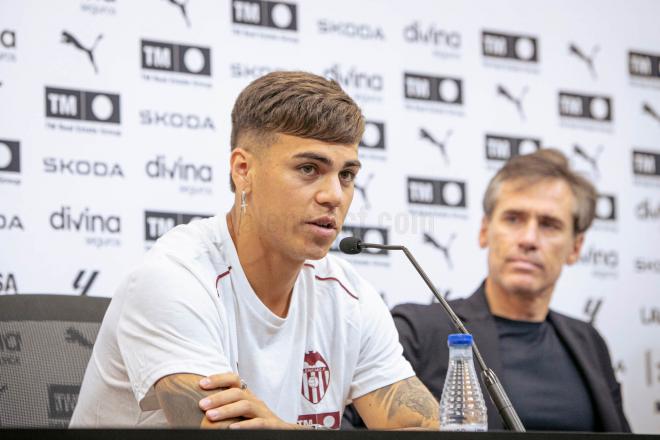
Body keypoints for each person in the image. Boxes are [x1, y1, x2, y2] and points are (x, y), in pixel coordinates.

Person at [69, 71, 439, 430]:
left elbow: (427, 428)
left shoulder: (349, 296)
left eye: (346, 175)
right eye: (309, 168)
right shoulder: (174, 277)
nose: (334, 196)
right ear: (243, 170)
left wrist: (281, 429)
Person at [391, 149, 631, 431]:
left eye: (549, 224)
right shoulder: (418, 330)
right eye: (513, 219)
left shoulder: (589, 343)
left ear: (576, 247)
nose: (528, 239)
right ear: (484, 231)